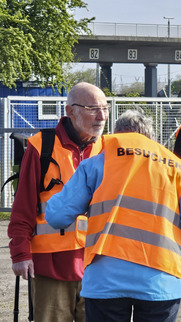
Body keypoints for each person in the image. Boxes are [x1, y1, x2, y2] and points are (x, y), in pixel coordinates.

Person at [45, 109, 181, 321]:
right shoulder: (178, 169)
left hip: (105, 280)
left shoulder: (95, 165)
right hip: (161, 279)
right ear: (150, 138)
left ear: (116, 134)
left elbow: (56, 216)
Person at [7, 82, 109, 321]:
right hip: (51, 265)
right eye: (93, 108)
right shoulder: (41, 146)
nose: (102, 116)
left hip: (98, 262)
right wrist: (21, 253)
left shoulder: (108, 148)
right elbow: (23, 206)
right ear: (70, 111)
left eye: (105, 108)